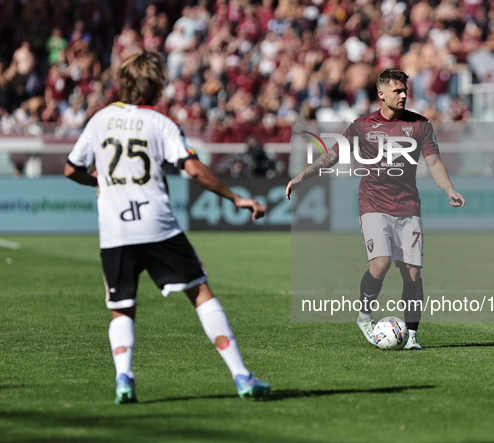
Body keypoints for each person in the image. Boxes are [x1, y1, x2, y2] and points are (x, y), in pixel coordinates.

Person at [64, 51, 270, 403]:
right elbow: (192, 169)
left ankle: (124, 380)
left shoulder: (100, 120)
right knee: (201, 295)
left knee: (122, 308)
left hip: (116, 231)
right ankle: (241, 376)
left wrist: (98, 182)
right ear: (157, 86)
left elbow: (71, 169)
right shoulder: (159, 123)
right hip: (158, 226)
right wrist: (235, 198)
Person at [286, 69, 466, 350]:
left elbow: (433, 162)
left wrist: (449, 189)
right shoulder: (362, 125)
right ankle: (364, 316)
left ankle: (413, 336)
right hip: (373, 204)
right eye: (398, 91)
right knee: (380, 265)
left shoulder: (420, 125)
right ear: (381, 94)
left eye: (405, 90)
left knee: (413, 273)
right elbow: (333, 155)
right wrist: (301, 177)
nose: (404, 95)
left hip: (408, 206)